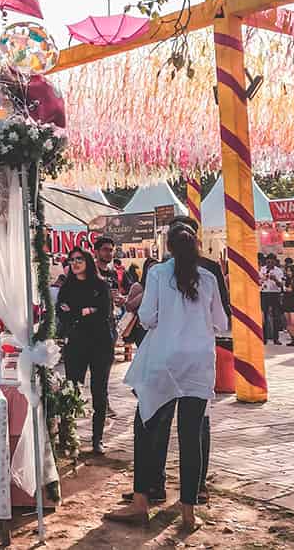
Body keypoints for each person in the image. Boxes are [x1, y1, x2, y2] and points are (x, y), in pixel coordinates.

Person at [109, 223, 227, 532]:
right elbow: (221, 323)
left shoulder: (159, 273)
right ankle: (188, 511)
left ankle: (141, 502)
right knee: (192, 437)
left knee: (145, 429)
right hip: (199, 364)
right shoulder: (210, 277)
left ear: (169, 247)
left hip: (164, 363)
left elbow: (147, 317)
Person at [57, 247, 115, 456]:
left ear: (88, 261)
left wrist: (75, 312)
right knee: (72, 390)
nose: (75, 263)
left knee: (99, 392)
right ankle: (67, 436)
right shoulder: (67, 287)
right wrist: (85, 311)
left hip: (100, 345)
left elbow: (104, 313)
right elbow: (61, 313)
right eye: (71, 260)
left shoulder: (100, 286)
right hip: (76, 344)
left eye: (79, 259)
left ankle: (97, 439)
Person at [260, 255, 285, 345]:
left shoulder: (279, 271)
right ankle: (264, 338)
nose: (269, 264)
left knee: (276, 316)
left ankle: (276, 338)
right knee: (264, 316)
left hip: (275, 293)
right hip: (264, 293)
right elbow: (258, 281)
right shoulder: (262, 269)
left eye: (271, 262)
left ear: (275, 262)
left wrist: (275, 279)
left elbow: (281, 285)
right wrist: (263, 279)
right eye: (268, 262)